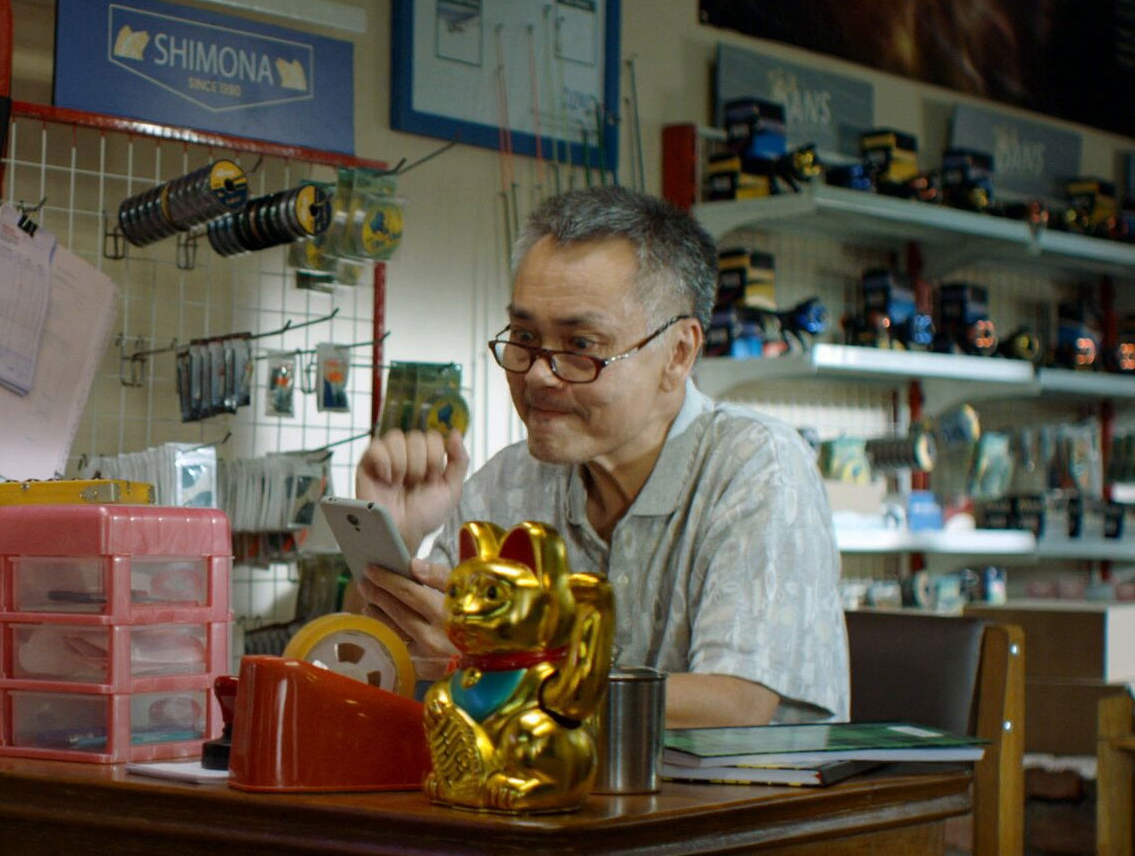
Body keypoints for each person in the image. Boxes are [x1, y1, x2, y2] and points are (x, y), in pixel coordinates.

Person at [350, 186, 848, 727]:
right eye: (524, 336)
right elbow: (384, 665)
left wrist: (498, 673)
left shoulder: (756, 465)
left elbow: (735, 703)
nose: (538, 374)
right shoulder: (508, 483)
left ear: (679, 353)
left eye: (581, 346)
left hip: (739, 784)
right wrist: (389, 549)